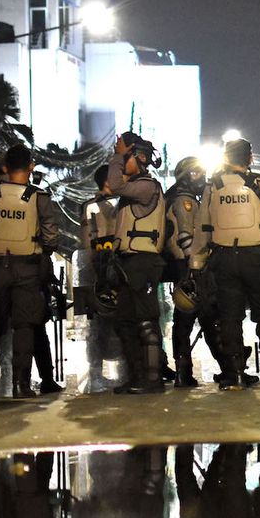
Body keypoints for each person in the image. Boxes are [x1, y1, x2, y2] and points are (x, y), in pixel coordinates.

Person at [190, 138, 260, 389]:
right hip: (256, 256)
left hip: (223, 258)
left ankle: (234, 375)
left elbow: (203, 227)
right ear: (250, 158)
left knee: (229, 317)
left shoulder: (214, 186)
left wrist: (197, 262)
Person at [0, 145, 61, 397]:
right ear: (31, 167)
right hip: (28, 267)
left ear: (5, 167)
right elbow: (50, 237)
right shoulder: (39, 197)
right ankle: (20, 384)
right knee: (25, 325)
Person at [107, 132, 167, 393]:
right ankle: (136, 376)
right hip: (128, 261)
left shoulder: (147, 186)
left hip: (142, 262)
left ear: (139, 158)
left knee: (145, 321)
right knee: (125, 322)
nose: (123, 164)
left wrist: (118, 156)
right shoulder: (137, 187)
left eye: (128, 158)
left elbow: (115, 185)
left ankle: (152, 379)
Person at [166, 156, 227, 387]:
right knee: (197, 319)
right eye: (194, 173)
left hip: (189, 265)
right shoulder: (184, 199)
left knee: (199, 319)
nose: (200, 178)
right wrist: (195, 268)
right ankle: (190, 372)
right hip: (191, 265)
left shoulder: (184, 196)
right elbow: (186, 235)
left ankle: (194, 371)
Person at [78, 164, 121, 390]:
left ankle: (123, 369)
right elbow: (87, 242)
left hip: (112, 268)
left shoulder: (122, 202)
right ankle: (96, 373)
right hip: (98, 269)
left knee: (117, 323)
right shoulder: (92, 206)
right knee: (96, 327)